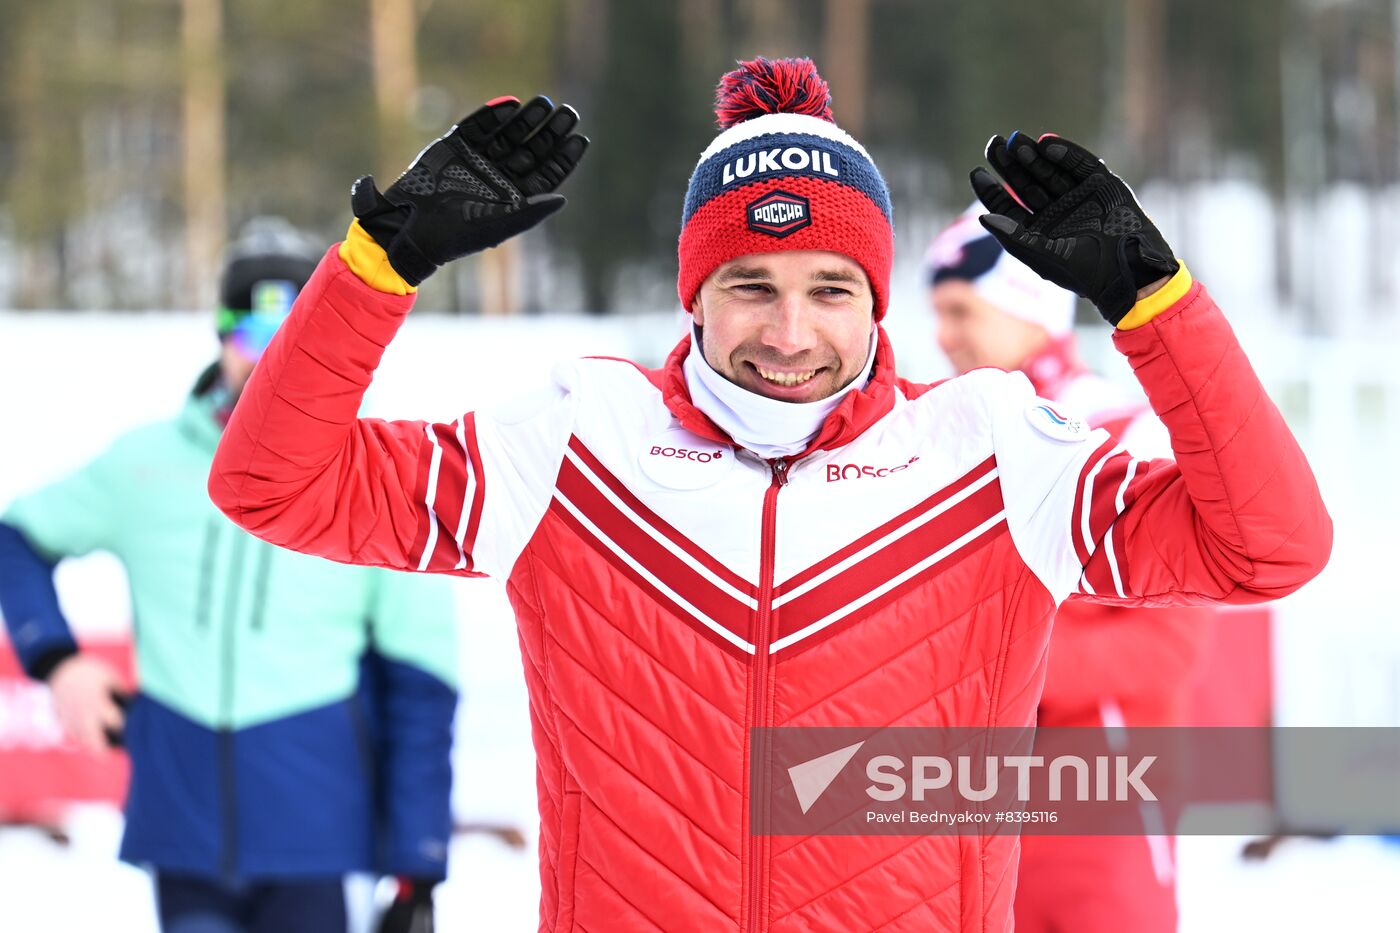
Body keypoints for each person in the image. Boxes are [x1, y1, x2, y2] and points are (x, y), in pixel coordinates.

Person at [207, 58, 1331, 932]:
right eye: (749, 286)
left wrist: (1150, 300)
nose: (789, 333)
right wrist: (378, 266)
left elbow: (1267, 548)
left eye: (830, 289)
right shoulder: (574, 439)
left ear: (874, 298)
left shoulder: (987, 450)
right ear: (694, 294)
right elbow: (272, 484)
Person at [0, 224, 460, 933]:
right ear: (220, 338)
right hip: (183, 824)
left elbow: (421, 685)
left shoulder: (373, 476)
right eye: (249, 337)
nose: (266, 363)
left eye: (288, 340)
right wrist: (58, 663)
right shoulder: (143, 465)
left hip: (314, 829)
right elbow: (18, 537)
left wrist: (416, 867)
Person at [926, 208, 1217, 932]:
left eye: (960, 309)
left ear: (1022, 301)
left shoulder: (1122, 435)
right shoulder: (949, 445)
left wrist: (1003, 665)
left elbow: (1169, 644)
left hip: (1103, 817)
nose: (943, 335)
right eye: (937, 313)